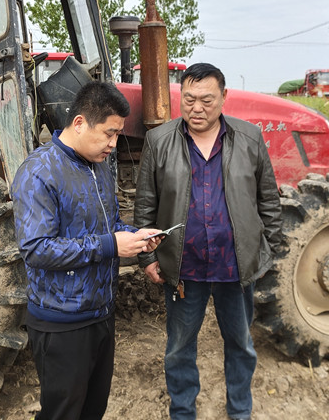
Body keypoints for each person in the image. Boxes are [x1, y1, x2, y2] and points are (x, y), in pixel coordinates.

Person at [134, 63, 283, 420]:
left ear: (224, 97)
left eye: (206, 100)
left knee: (240, 344)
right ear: (180, 97)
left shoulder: (249, 138)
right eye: (189, 99)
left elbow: (268, 201)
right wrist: (147, 258)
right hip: (184, 267)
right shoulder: (160, 141)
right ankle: (183, 412)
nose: (197, 108)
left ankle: (240, 411)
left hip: (235, 265)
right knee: (179, 348)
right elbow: (146, 205)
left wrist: (269, 253)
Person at [11, 81, 161, 420]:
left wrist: (136, 236)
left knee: (93, 410)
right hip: (62, 322)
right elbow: (36, 249)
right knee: (63, 413)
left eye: (117, 134)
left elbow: (108, 226)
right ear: (79, 123)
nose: (113, 144)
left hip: (100, 314)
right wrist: (112, 245)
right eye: (109, 133)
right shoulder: (39, 172)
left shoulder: (99, 166)